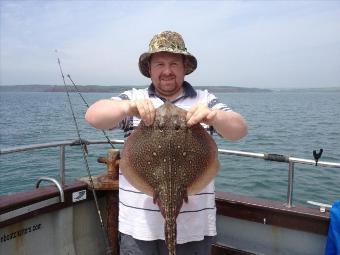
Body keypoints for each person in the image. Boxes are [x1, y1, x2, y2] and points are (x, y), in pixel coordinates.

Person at [85, 31, 248, 255]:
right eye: (160, 64)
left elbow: (239, 130)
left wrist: (213, 116)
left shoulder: (204, 100)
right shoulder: (134, 98)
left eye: (174, 63)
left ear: (184, 67)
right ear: (149, 69)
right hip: (139, 229)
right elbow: (93, 116)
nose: (167, 70)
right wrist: (128, 108)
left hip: (194, 229)